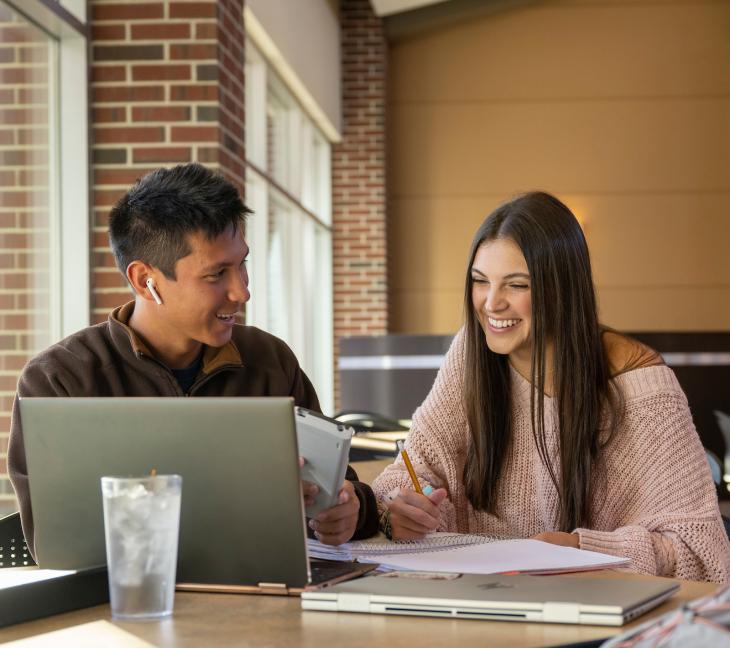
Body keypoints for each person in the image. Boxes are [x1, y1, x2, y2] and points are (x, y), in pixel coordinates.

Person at [8, 163, 378, 558]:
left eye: (242, 264)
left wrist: (350, 509)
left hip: (266, 603)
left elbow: (340, 488)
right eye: (217, 273)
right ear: (144, 280)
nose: (241, 292)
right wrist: (242, 497)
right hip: (124, 611)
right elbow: (60, 544)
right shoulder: (60, 381)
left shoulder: (271, 361)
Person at [373, 191, 730, 582]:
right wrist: (398, 507)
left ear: (562, 288)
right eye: (480, 281)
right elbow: (412, 471)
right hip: (480, 605)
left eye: (517, 285)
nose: (492, 304)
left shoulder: (641, 387)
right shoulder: (470, 355)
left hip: (598, 618)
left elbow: (702, 552)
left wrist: (581, 550)